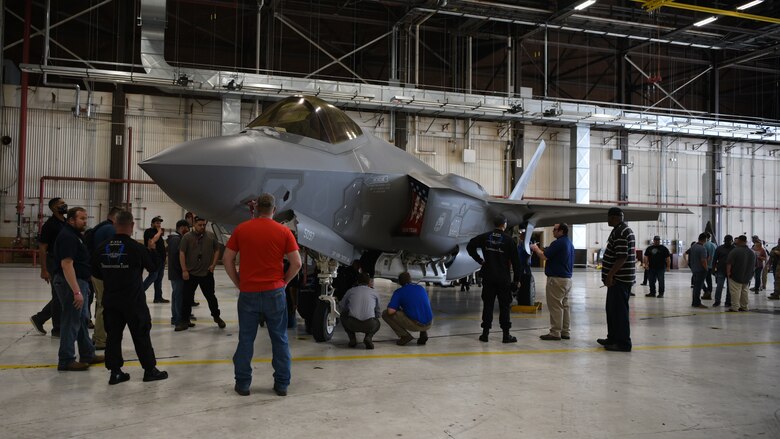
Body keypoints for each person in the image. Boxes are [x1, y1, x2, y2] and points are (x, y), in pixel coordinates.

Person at [223, 193, 302, 397]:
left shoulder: (242, 229)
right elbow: (297, 263)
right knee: (280, 338)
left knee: (246, 339)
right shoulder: (284, 231)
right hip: (274, 292)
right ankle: (282, 384)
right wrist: (284, 282)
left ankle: (243, 384)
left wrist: (239, 283)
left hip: (248, 292)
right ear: (274, 210)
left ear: (256, 209)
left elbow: (227, 259)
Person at [91, 210, 168, 385]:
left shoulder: (102, 247)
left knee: (113, 337)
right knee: (141, 335)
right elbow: (154, 268)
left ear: (115, 225)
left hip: (111, 299)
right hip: (133, 300)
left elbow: (96, 272)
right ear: (132, 226)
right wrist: (153, 249)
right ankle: (149, 370)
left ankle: (115, 372)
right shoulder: (137, 248)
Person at [52, 207, 105, 371]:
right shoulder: (68, 237)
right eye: (81, 218)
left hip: (78, 281)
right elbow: (67, 265)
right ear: (71, 220)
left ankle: (87, 353)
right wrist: (76, 291)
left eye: (85, 218)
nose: (85, 221)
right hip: (70, 283)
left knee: (81, 320)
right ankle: (66, 359)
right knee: (71, 321)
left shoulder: (75, 235)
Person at [466, 215, 521, 343]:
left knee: (488, 305)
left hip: (488, 277)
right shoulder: (508, 240)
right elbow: (517, 263)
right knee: (504, 306)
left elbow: (470, 246)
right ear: (504, 224)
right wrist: (517, 280)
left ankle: (485, 334)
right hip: (503, 279)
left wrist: (480, 260)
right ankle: (506, 335)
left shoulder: (485, 237)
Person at [597, 207, 635, 352]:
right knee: (612, 310)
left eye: (609, 217)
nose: (608, 220)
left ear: (615, 217)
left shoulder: (621, 232)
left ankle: (623, 343)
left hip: (619, 280)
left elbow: (622, 257)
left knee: (619, 312)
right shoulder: (621, 230)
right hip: (618, 279)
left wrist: (610, 275)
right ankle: (612, 338)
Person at [177, 216, 225, 331]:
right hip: (191, 273)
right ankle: (184, 321)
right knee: (187, 299)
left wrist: (213, 264)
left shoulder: (210, 236)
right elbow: (182, 253)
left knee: (211, 297)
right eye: (200, 225)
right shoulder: (187, 237)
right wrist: (184, 270)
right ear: (194, 224)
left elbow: (217, 249)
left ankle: (217, 317)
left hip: (206, 274)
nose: (202, 227)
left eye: (204, 225)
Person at [29, 197, 67, 337]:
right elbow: (43, 248)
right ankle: (57, 329)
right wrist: (44, 269)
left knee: (61, 294)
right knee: (58, 296)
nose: (64, 205)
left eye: (64, 203)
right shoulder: (50, 225)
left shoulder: (65, 222)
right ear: (53, 208)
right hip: (53, 261)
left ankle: (39, 318)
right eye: (61, 204)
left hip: (63, 261)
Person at [530, 223, 574, 341]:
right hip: (567, 279)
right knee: (565, 306)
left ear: (561, 231)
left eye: (555, 230)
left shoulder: (558, 243)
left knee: (555, 306)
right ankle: (565, 331)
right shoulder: (569, 243)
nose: (553, 232)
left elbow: (544, 256)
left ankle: (555, 332)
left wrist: (535, 248)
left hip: (556, 279)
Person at [87, 206, 122, 350]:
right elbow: (111, 254)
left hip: (96, 271)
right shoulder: (110, 230)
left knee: (100, 303)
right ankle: (101, 339)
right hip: (103, 273)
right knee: (104, 305)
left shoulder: (100, 227)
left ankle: (97, 336)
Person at [382, 272, 433, 346]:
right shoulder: (420, 288)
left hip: (416, 325)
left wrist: (398, 308)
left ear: (399, 282)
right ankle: (423, 333)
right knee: (419, 309)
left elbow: (390, 311)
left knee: (385, 314)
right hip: (430, 323)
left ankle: (405, 336)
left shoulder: (399, 292)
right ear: (410, 280)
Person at [338, 273, 381, 349]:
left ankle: (352, 339)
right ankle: (368, 337)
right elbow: (378, 312)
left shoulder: (350, 291)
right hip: (369, 325)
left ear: (357, 281)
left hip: (352, 324)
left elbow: (341, 307)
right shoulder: (374, 293)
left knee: (343, 316)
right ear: (369, 282)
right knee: (377, 323)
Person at [167, 220, 191, 327]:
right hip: (177, 274)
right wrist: (183, 271)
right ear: (181, 228)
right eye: (187, 228)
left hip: (175, 273)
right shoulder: (176, 240)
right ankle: (178, 320)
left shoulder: (175, 239)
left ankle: (175, 318)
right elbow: (176, 258)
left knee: (176, 296)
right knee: (178, 297)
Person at [726, 235, 757, 312]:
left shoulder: (735, 251)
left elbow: (729, 263)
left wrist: (728, 273)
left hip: (735, 275)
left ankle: (735, 307)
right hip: (747, 276)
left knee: (735, 292)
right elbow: (755, 265)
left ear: (739, 241)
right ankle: (744, 306)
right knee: (744, 291)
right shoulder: (752, 252)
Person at [142, 216, 168, 303]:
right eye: (157, 223)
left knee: (159, 278)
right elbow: (152, 241)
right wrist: (160, 232)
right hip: (153, 258)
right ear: (152, 224)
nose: (159, 225)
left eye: (160, 223)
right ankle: (138, 293)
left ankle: (158, 297)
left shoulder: (157, 232)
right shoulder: (149, 231)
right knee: (153, 276)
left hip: (161, 259)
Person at [712, 235, 735, 307]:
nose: (727, 242)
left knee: (730, 287)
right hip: (720, 270)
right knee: (719, 286)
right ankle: (717, 301)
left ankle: (728, 301)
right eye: (726, 241)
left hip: (731, 271)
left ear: (732, 241)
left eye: (729, 241)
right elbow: (714, 260)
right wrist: (713, 269)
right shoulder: (719, 249)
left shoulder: (734, 249)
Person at [688, 234, 709, 308]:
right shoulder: (702, 248)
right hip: (700, 270)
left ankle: (694, 302)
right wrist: (706, 269)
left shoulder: (693, 247)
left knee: (696, 287)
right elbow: (703, 260)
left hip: (694, 269)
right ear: (705, 239)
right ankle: (697, 303)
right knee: (698, 287)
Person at [515, 228, 535, 306]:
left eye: (521, 235)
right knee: (519, 279)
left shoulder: (527, 244)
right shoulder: (521, 244)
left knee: (526, 280)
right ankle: (519, 295)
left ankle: (525, 296)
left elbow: (527, 253)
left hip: (525, 266)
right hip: (520, 265)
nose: (520, 236)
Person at [702, 232, 717, 300]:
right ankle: (709, 292)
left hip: (706, 264)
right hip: (712, 265)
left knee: (700, 279)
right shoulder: (714, 245)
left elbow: (707, 256)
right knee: (709, 279)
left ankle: (706, 291)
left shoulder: (704, 245)